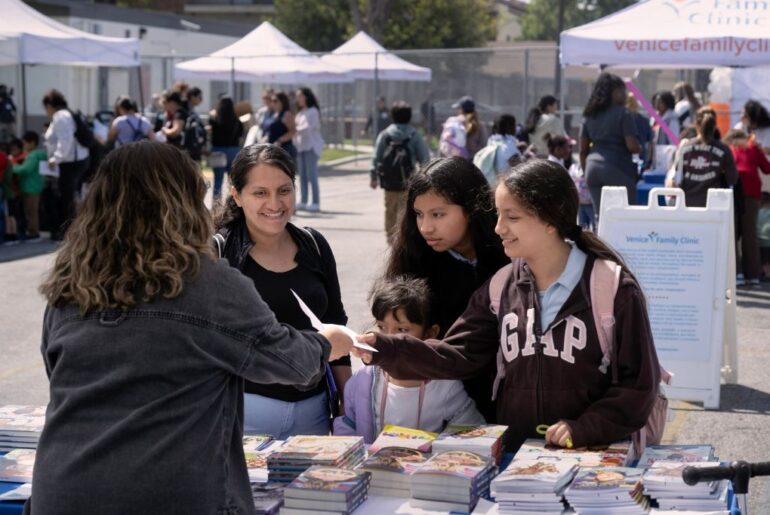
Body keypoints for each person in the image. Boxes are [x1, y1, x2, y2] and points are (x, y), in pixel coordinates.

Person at [30, 141, 353, 515]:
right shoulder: (207, 284)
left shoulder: (69, 289)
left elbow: (58, 377)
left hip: (61, 490)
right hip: (170, 493)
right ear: (181, 203)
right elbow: (290, 361)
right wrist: (328, 342)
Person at [355, 159, 662, 452]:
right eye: (499, 215)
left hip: (593, 457)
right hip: (516, 458)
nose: (498, 227)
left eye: (512, 217)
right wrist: (381, 347)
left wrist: (585, 428)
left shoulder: (612, 289)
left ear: (551, 219)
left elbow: (639, 385)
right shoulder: (500, 287)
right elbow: (457, 354)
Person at [214, 143, 351, 438]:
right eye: (260, 193)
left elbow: (336, 324)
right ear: (237, 195)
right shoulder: (218, 253)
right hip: (241, 413)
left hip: (314, 411)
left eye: (284, 190)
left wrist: (346, 402)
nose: (275, 204)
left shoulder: (314, 245)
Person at [384, 157, 509, 421]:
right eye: (418, 214)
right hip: (440, 403)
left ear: (471, 208)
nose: (425, 227)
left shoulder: (509, 255)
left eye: (438, 214)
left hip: (508, 396)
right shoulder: (414, 260)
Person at [333, 276, 485, 442]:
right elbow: (347, 425)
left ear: (430, 333)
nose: (389, 337)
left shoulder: (445, 385)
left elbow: (471, 429)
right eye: (382, 327)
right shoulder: (363, 380)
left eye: (402, 330)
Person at [579, 73, 641, 214]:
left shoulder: (589, 115)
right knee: (626, 214)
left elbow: (583, 150)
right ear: (614, 92)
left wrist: (585, 171)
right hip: (617, 168)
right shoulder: (623, 113)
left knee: (600, 216)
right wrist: (640, 148)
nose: (625, 95)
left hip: (592, 168)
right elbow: (632, 146)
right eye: (623, 91)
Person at [370, 101, 430, 243]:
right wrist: (425, 180)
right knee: (406, 213)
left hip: (389, 181)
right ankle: (404, 241)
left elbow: (376, 158)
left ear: (392, 116)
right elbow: (424, 159)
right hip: (409, 182)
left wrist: (373, 177)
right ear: (409, 117)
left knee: (390, 210)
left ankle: (391, 240)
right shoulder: (414, 135)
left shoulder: (385, 135)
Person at [667, 107, 738, 208]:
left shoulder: (685, 147)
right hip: (714, 205)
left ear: (696, 124)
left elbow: (677, 176)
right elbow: (732, 179)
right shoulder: (724, 149)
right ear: (715, 126)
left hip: (687, 204)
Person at [42, 89, 90, 240]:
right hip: (74, 161)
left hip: (69, 163)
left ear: (49, 105)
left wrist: (55, 159)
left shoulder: (60, 116)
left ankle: (69, 231)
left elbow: (65, 141)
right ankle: (72, 230)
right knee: (70, 197)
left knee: (66, 198)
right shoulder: (66, 114)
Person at [724, 129, 770, 286]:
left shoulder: (728, 148)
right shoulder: (754, 148)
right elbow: (767, 169)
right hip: (751, 194)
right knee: (750, 234)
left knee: (733, 234)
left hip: (733, 194)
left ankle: (736, 273)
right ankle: (753, 274)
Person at [11, 131, 45, 242]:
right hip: (36, 186)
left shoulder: (33, 156)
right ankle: (33, 231)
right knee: (32, 211)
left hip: (30, 187)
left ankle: (33, 233)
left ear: (32, 143)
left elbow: (25, 170)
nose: (24, 146)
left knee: (30, 212)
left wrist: (12, 166)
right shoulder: (41, 154)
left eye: (25, 143)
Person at [294, 87, 324, 212]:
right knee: (302, 175)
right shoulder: (300, 113)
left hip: (311, 147)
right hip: (301, 147)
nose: (298, 99)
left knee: (312, 175)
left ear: (306, 97)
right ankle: (304, 200)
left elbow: (308, 128)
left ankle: (316, 202)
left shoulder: (313, 111)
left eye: (300, 96)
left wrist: (295, 130)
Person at [209, 96, 243, 201]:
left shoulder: (214, 120)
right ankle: (232, 203)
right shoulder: (237, 121)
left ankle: (216, 204)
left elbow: (210, 134)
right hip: (233, 150)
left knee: (218, 179)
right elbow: (240, 134)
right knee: (232, 180)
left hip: (218, 150)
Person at [473, 114, 521, 185]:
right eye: (514, 125)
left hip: (490, 186)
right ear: (510, 127)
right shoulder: (509, 147)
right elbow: (519, 170)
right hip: (504, 187)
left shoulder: (491, 144)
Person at [626, 93, 654, 171]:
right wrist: (649, 161)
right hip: (641, 158)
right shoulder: (644, 120)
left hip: (625, 158)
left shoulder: (622, 120)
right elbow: (650, 142)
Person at [267, 91, 296, 160]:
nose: (272, 103)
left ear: (282, 101)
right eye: (271, 101)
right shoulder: (274, 114)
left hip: (284, 149)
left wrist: (279, 140)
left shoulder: (286, 114)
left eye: (275, 101)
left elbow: (293, 131)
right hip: (272, 149)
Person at [758, 192, 770, 279]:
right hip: (767, 243)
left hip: (758, 243)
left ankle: (763, 270)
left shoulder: (757, 213)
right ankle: (767, 273)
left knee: (762, 259)